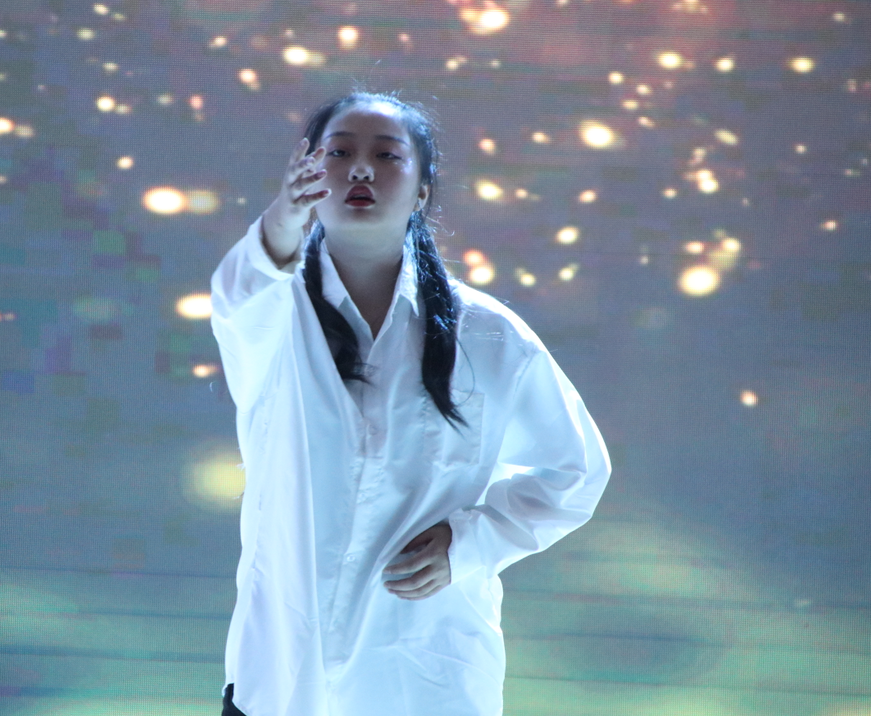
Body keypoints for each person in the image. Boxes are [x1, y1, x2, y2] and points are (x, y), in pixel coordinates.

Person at [209, 91, 611, 716]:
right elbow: (243, 287)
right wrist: (283, 218)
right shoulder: (271, 317)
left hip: (424, 676)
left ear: (422, 191)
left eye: (386, 156)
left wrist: (470, 542)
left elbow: (576, 471)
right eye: (338, 153)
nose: (360, 169)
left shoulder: (488, 335)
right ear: (307, 174)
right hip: (281, 676)